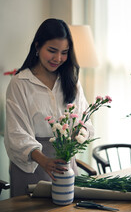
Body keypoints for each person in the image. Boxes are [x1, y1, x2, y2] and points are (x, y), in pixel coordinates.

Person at [4, 18, 94, 197]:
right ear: (37, 47)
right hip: (31, 165)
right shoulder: (20, 83)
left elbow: (85, 120)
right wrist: (43, 160)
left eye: (64, 52)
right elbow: (16, 133)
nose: (58, 58)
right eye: (52, 51)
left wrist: (80, 133)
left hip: (65, 165)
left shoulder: (72, 82)